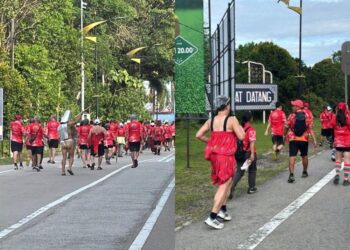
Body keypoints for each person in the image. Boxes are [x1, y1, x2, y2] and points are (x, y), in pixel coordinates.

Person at [196, 96, 245, 230]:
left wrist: (212, 142)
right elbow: (241, 136)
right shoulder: (231, 119)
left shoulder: (211, 121)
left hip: (215, 156)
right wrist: (240, 127)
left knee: (227, 183)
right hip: (226, 157)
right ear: (227, 106)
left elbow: (198, 135)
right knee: (224, 186)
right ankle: (212, 216)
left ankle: (222, 210)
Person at [285, 100, 317, 183]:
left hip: (293, 138)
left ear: (297, 107)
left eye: (293, 105)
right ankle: (305, 172)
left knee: (292, 156)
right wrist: (314, 139)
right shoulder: (307, 115)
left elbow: (286, 126)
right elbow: (310, 128)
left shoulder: (291, 116)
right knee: (304, 155)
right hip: (304, 138)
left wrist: (284, 135)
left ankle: (291, 175)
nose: (292, 107)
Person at [230, 111, 258, 198]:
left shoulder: (238, 129)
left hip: (238, 153)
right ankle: (251, 187)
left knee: (239, 171)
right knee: (252, 170)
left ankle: (231, 186)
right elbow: (252, 143)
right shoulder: (251, 130)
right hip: (248, 153)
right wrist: (252, 154)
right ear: (250, 119)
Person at [331, 102, 350, 186]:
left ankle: (337, 174)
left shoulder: (334, 118)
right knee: (347, 161)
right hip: (347, 142)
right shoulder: (348, 118)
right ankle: (346, 179)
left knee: (338, 160)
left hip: (338, 143)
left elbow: (332, 125)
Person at [58, 110, 82, 176]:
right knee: (71, 156)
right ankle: (70, 168)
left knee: (64, 157)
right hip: (69, 141)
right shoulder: (69, 125)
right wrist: (81, 114)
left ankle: (63, 171)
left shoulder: (60, 126)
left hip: (63, 142)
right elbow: (77, 121)